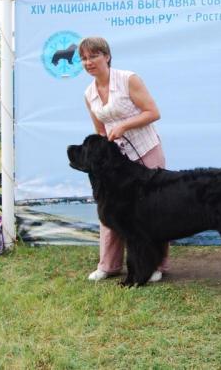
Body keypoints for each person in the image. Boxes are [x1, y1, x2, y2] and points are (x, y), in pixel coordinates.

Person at [79, 36, 170, 280]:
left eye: (94, 56)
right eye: (84, 58)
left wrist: (124, 126)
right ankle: (108, 265)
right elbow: (100, 132)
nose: (89, 62)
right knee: (110, 209)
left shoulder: (128, 79)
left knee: (153, 211)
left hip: (145, 149)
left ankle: (155, 266)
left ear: (106, 56)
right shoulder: (89, 94)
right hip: (117, 162)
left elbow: (153, 112)